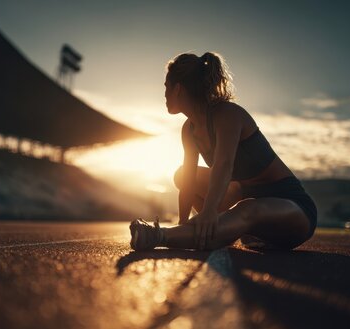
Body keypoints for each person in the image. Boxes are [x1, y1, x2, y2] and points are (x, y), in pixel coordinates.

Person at [129, 52, 317, 251]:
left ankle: (157, 236)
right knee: (182, 175)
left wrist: (210, 210)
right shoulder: (189, 129)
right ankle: (221, 231)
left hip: (292, 208)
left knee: (247, 207)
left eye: (166, 87)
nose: (164, 94)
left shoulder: (228, 114)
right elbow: (189, 182)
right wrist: (183, 223)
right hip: (244, 201)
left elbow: (223, 164)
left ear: (178, 89)